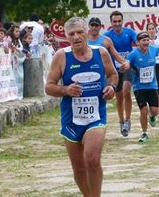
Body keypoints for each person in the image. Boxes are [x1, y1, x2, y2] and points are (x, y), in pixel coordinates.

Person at [45, 17, 118, 197]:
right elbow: (49, 87)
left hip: (96, 116)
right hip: (71, 118)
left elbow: (113, 75)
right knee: (78, 168)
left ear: (87, 33)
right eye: (71, 34)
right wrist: (65, 89)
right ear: (67, 37)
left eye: (79, 32)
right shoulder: (61, 56)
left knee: (91, 159)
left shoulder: (101, 53)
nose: (76, 37)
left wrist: (112, 87)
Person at [126, 31, 159, 142]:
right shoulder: (133, 54)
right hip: (139, 87)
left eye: (147, 40)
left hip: (152, 86)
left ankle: (152, 116)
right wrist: (124, 66)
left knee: (155, 111)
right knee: (143, 111)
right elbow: (127, 63)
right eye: (143, 40)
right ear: (137, 43)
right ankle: (144, 133)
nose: (146, 42)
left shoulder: (153, 49)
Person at [103, 11, 137, 137]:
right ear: (111, 23)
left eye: (119, 21)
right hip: (114, 71)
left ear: (122, 21)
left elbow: (138, 42)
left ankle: (128, 121)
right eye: (114, 21)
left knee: (127, 92)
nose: (117, 24)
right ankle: (121, 121)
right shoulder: (107, 36)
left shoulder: (129, 32)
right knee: (118, 97)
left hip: (127, 67)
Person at [147, 22, 159, 118]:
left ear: (155, 29)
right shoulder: (145, 40)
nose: (151, 31)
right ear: (147, 30)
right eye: (149, 29)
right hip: (149, 65)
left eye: (152, 28)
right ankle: (151, 109)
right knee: (150, 88)